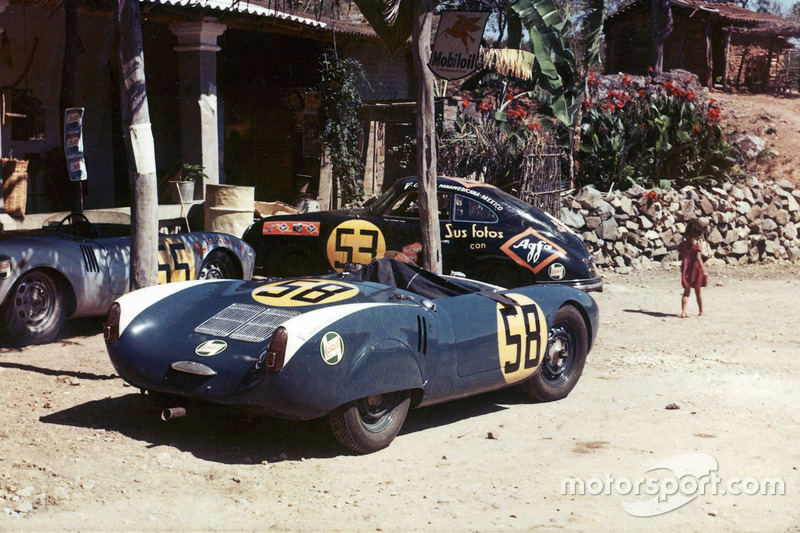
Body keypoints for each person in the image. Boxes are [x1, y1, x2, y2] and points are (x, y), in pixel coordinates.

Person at [678, 219, 708, 318]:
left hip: (686, 269)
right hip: (695, 270)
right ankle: (701, 310)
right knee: (698, 291)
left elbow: (680, 256)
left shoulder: (682, 245)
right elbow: (699, 258)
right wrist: (704, 270)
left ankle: (683, 311)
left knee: (686, 291)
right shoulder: (697, 246)